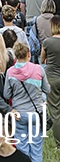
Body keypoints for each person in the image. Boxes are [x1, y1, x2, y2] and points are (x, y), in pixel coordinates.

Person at [3, 41, 49, 162]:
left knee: (22, 148)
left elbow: (6, 94)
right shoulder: (38, 69)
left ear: (15, 55)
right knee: (36, 147)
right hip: (36, 112)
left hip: (19, 113)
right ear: (28, 54)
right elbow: (47, 89)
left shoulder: (10, 72)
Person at [41, 14, 60, 147]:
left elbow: (42, 60)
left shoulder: (47, 42)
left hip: (52, 77)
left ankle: (59, 143)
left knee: (55, 111)